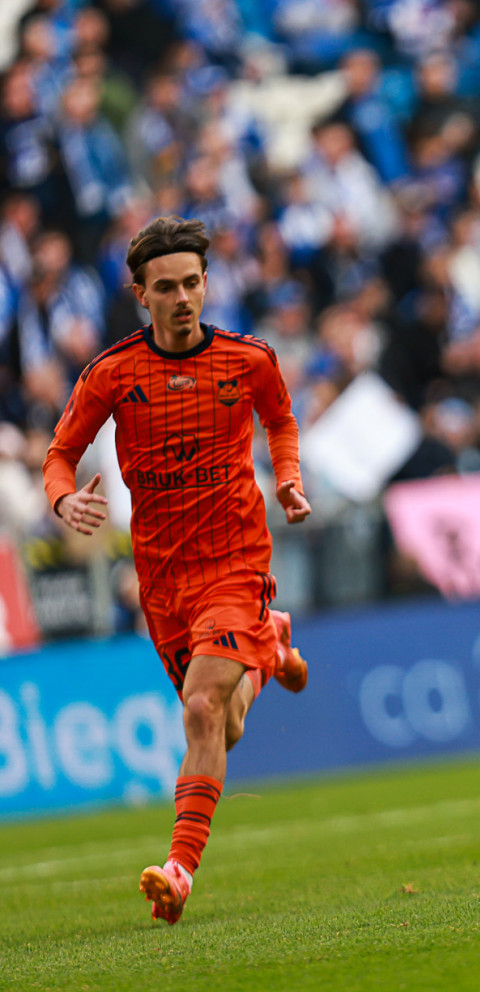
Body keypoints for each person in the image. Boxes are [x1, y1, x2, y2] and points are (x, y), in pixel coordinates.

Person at [42, 216, 312, 925]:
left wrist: (287, 477)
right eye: (166, 287)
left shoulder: (249, 359)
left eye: (192, 282)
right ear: (141, 294)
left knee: (200, 709)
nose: (183, 297)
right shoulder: (112, 373)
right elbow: (59, 455)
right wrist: (65, 499)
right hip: (163, 580)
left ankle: (179, 871)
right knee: (225, 724)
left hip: (235, 561)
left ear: (206, 283)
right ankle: (272, 644)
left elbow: (280, 421)